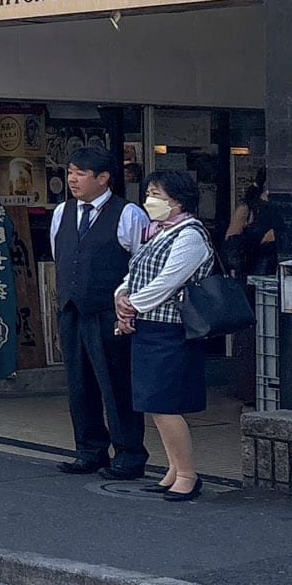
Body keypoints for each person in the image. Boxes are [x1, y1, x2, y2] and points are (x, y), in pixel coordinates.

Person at [115, 169, 217, 501]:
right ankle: (173, 469)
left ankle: (187, 474)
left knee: (164, 404)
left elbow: (169, 281)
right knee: (154, 404)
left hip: (171, 329)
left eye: (157, 195)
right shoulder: (158, 231)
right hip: (150, 326)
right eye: (149, 193)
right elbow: (135, 271)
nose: (150, 201)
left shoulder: (190, 235)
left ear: (178, 201)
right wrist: (122, 295)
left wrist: (132, 305)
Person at [49, 147, 149, 478]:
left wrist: (129, 306)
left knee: (116, 384)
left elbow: (141, 265)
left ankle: (129, 455)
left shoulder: (128, 213)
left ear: (103, 178)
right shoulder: (62, 211)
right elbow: (61, 255)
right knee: (79, 384)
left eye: (81, 173)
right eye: (70, 172)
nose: (72, 179)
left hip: (110, 312)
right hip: (73, 310)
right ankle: (89, 450)